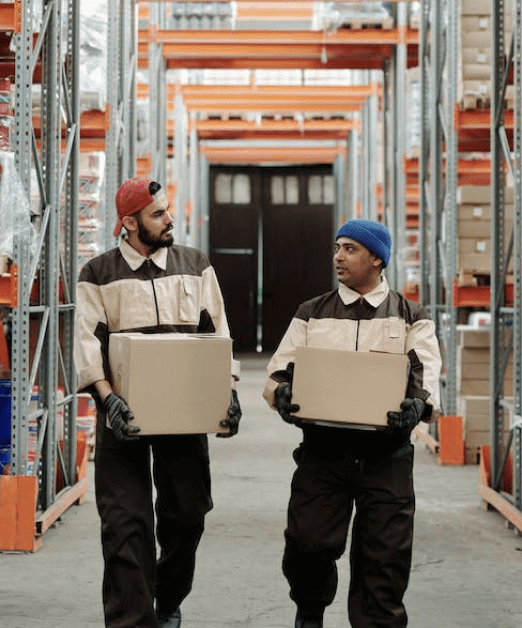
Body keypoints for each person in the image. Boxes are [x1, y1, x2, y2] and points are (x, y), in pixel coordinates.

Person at [75, 176, 242, 628]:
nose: (169, 220)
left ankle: (167, 601)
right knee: (125, 528)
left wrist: (228, 392)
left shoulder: (195, 265)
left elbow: (218, 332)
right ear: (129, 223)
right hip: (123, 418)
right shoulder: (98, 274)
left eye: (167, 210)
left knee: (188, 517)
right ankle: (132, 621)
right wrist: (108, 401)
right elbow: (87, 348)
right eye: (157, 214)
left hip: (184, 416)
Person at [262, 219, 442, 628]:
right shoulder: (313, 312)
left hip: (386, 457)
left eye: (350, 249)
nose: (338, 257)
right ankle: (309, 614)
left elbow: (427, 372)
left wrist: (419, 405)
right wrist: (283, 394)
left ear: (377, 258)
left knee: (384, 561)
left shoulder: (410, 315)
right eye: (337, 248)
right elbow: (277, 372)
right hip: (323, 454)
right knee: (307, 546)